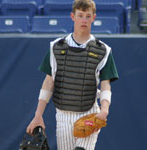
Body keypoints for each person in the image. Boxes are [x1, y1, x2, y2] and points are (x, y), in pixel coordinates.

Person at [26, 0, 119, 149]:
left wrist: (104, 110)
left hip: (89, 113)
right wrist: (38, 115)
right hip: (63, 115)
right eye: (80, 15)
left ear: (94, 18)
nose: (84, 20)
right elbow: (48, 82)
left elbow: (105, 84)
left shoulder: (103, 50)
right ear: (72, 16)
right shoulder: (56, 47)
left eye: (88, 16)